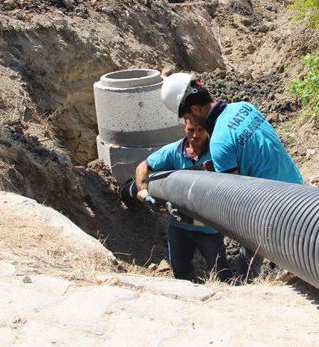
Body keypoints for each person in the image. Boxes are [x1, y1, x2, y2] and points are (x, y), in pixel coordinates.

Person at [160, 73, 303, 281]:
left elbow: (234, 205)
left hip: (272, 211)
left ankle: (248, 287)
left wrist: (192, 217)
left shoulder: (219, 142)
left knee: (247, 264)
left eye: (187, 118)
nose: (188, 123)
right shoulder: (245, 107)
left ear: (195, 109)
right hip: (299, 190)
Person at [127, 117, 233, 283]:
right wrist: (144, 192)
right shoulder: (174, 151)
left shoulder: (217, 151)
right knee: (180, 271)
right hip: (180, 227)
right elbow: (143, 167)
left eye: (200, 130)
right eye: (191, 130)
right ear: (184, 127)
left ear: (207, 129)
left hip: (209, 229)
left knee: (222, 274)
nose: (196, 135)